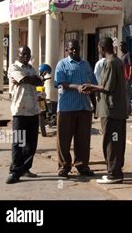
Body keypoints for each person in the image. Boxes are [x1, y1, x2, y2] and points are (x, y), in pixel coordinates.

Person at [84, 37, 128, 184]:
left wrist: (91, 86)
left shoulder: (110, 63)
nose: (98, 50)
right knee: (116, 141)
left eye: (99, 48)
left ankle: (114, 173)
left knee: (111, 141)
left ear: (103, 48)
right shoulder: (117, 61)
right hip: (116, 110)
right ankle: (115, 171)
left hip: (111, 110)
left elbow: (107, 87)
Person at [54, 39, 97, 178]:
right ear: (67, 49)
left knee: (83, 140)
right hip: (67, 107)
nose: (74, 51)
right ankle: (64, 166)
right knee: (64, 140)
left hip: (84, 108)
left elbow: (93, 85)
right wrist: (77, 87)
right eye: (71, 49)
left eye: (76, 48)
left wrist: (94, 105)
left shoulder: (86, 65)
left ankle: (82, 165)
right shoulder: (62, 64)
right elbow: (61, 83)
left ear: (80, 48)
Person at [5, 46, 44, 184]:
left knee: (31, 143)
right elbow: (23, 80)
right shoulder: (13, 68)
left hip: (33, 111)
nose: (26, 56)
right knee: (18, 142)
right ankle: (14, 171)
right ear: (18, 54)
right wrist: (32, 79)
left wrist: (32, 79)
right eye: (23, 53)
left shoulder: (32, 69)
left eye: (28, 53)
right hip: (20, 111)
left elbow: (39, 83)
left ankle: (25, 168)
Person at [119, 41, 132, 115]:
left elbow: (130, 65)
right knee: (123, 94)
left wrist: (130, 75)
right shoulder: (122, 56)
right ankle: (127, 109)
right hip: (122, 77)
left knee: (127, 94)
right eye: (120, 46)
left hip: (126, 77)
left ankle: (127, 110)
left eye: (121, 46)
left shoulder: (128, 55)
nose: (120, 47)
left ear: (124, 46)